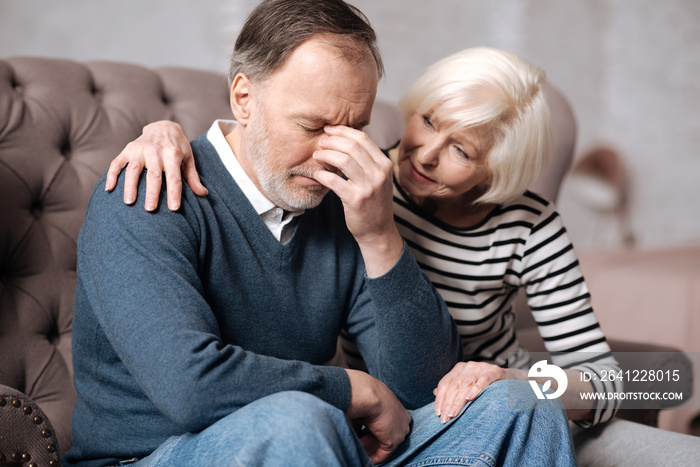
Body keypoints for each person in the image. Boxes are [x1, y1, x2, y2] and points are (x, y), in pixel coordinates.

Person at [113, 42, 700, 465]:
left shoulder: (531, 226)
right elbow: (262, 150)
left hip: (513, 402)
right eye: (427, 120)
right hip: (387, 420)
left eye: (461, 151)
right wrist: (162, 131)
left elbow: (657, 381)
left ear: (500, 172)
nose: (423, 154)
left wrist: (524, 382)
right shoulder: (353, 177)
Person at [66, 1, 576, 466]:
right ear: (243, 97)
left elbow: (422, 391)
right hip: (151, 457)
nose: (334, 155)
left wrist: (379, 235)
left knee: (520, 404)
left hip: (316, 442)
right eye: (312, 127)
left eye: (353, 128)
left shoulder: (343, 203)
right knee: (298, 419)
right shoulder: (148, 189)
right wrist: (354, 390)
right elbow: (190, 387)